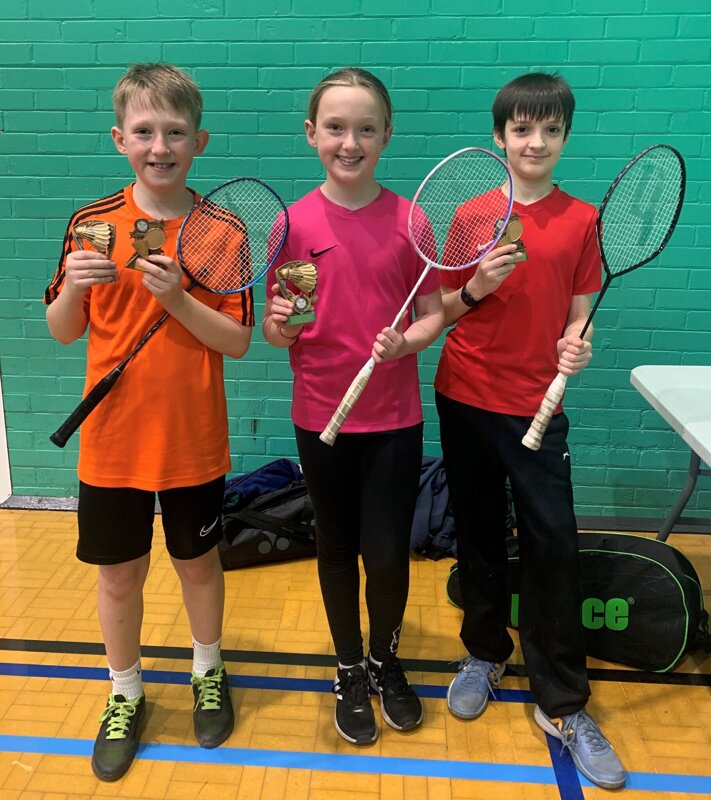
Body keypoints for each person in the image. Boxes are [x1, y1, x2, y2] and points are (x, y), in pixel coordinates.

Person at [44, 63, 251, 781]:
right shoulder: (91, 225)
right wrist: (72, 289)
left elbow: (236, 340)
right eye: (143, 131)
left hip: (192, 439)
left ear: (199, 141)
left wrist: (178, 300)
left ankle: (207, 670)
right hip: (110, 443)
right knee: (119, 578)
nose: (158, 145)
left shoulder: (221, 232)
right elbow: (62, 331)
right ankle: (124, 692)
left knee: (198, 566)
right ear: (119, 138)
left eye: (173, 132)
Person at [435, 73, 627, 790]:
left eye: (548, 129)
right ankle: (483, 651)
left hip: (536, 408)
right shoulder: (472, 216)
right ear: (500, 137)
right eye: (521, 129)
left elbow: (578, 313)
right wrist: (476, 283)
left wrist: (577, 345)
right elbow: (445, 309)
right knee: (478, 533)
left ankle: (563, 703)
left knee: (553, 548)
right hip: (463, 396)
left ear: (564, 137)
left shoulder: (580, 221)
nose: (534, 141)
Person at [262, 68, 444, 745]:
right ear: (311, 135)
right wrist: (280, 322)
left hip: (394, 420)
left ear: (386, 135)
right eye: (335, 127)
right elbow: (279, 328)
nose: (350, 141)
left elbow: (432, 318)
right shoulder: (293, 223)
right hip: (320, 418)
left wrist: (405, 344)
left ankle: (383, 660)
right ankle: (346, 667)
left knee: (388, 555)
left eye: (365, 128)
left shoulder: (410, 219)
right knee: (336, 549)